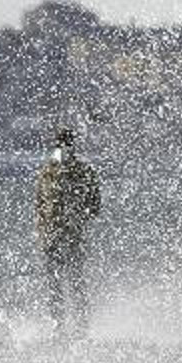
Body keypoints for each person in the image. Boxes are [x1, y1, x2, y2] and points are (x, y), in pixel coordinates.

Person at [35, 127, 101, 332]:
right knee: (57, 283)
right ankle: (60, 326)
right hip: (54, 235)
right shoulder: (48, 171)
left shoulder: (76, 171)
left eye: (64, 144)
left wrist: (78, 218)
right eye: (60, 144)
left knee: (73, 281)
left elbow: (95, 204)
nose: (62, 148)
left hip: (69, 234)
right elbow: (39, 204)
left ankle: (79, 325)